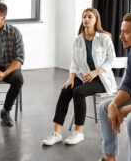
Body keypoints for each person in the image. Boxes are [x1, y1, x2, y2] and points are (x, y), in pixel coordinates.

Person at [42, 8, 117, 145]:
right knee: (66, 90)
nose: (86, 19)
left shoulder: (104, 38)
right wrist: (70, 79)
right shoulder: (78, 40)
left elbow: (112, 60)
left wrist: (96, 72)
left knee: (79, 92)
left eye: (89, 17)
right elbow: (74, 62)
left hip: (101, 79)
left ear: (96, 20)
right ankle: (57, 132)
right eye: (84, 17)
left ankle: (78, 132)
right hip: (83, 76)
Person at [98, 12, 131, 161]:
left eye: (125, 32)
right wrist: (114, 104)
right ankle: (110, 158)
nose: (121, 37)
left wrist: (123, 111)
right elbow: (128, 84)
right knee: (105, 107)